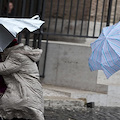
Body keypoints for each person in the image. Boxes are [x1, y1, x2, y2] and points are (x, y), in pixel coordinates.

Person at [0, 39, 44, 120]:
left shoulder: (17, 56)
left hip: (25, 93)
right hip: (29, 93)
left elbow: (3, 68)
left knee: (13, 109)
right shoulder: (20, 53)